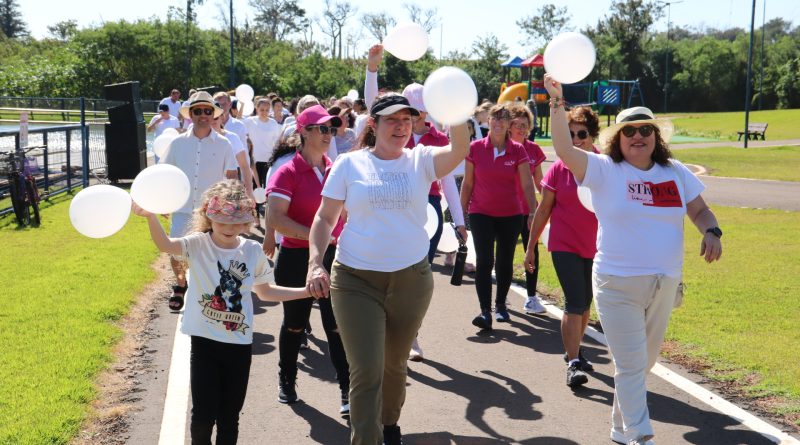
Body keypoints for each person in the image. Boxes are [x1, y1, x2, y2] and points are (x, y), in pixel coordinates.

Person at [542, 74, 722, 445]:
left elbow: (700, 209)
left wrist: (711, 231)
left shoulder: (675, 173)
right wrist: (557, 103)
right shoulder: (605, 170)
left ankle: (619, 429)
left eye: (646, 130)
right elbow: (563, 148)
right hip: (616, 282)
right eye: (629, 131)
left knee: (644, 363)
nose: (638, 136)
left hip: (665, 282)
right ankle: (641, 435)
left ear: (656, 137)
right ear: (617, 139)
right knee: (629, 363)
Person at [306, 93, 469, 445]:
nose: (401, 126)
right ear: (374, 124)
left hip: (411, 281)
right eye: (392, 119)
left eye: (407, 119)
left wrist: (455, 106)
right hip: (354, 279)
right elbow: (324, 218)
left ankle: (389, 427)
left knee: (395, 365)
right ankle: (367, 439)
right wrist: (315, 262)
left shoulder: (421, 160)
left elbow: (459, 151)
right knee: (366, 369)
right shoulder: (349, 165)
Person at [132, 179, 314, 445]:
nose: (229, 228)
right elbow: (167, 246)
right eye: (222, 221)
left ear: (246, 223)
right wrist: (149, 217)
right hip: (204, 344)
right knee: (203, 416)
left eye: (236, 222)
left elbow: (266, 293)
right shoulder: (197, 244)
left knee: (230, 417)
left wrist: (305, 292)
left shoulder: (252, 251)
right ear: (208, 217)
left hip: (239, 346)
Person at [265, 105, 350, 416]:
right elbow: (275, 218)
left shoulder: (336, 169)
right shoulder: (286, 171)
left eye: (332, 129)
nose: (329, 135)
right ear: (303, 132)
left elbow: (347, 211)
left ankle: (347, 390)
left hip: (335, 257)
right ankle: (287, 380)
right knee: (295, 324)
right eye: (322, 129)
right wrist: (318, 236)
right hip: (295, 259)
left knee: (337, 326)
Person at [524, 105, 600, 388]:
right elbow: (543, 210)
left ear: (592, 136)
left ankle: (576, 351)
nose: (576, 139)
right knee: (574, 301)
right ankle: (572, 363)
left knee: (586, 304)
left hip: (597, 247)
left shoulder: (604, 166)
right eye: (570, 134)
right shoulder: (558, 169)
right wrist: (531, 246)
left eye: (582, 133)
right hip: (564, 243)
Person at [460, 103, 537, 330]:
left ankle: (500, 304)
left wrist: (532, 212)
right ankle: (485, 312)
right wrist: (460, 214)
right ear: (489, 121)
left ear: (508, 125)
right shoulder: (475, 148)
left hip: (511, 214)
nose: (498, 123)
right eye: (495, 118)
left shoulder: (518, 150)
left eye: (503, 120)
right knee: (484, 261)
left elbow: (526, 184)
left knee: (504, 261)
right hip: (480, 212)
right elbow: (468, 183)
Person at [161, 91, 238, 311]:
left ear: (213, 114)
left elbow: (231, 177)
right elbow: (166, 172)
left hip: (210, 212)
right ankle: (180, 284)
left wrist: (231, 207)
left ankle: (205, 293)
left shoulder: (224, 144)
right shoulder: (177, 143)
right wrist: (164, 202)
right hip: (182, 207)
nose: (203, 115)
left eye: (207, 111)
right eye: (197, 111)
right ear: (190, 115)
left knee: (208, 254)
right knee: (175, 250)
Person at [507, 102, 548, 315]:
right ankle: (502, 297)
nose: (521, 129)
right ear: (509, 126)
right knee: (505, 253)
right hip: (504, 210)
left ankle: (531, 298)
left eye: (525, 124)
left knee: (532, 251)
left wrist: (549, 202)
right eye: (517, 124)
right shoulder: (502, 148)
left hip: (529, 211)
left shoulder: (533, 150)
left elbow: (540, 181)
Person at [210, 104, 255, 200]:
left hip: (229, 191)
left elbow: (245, 166)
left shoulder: (232, 138)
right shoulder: (200, 139)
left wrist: (249, 191)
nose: (213, 120)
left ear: (222, 117)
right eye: (210, 117)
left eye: (216, 117)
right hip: (207, 191)